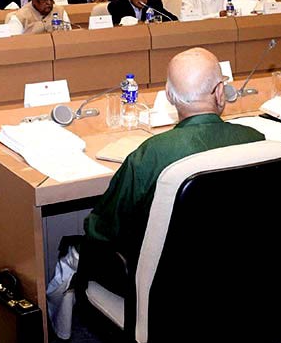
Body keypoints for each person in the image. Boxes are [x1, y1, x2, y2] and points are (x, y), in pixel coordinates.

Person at [79, 48, 264, 294]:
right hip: (242, 278)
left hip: (166, 290)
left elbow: (102, 229)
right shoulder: (257, 141)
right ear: (221, 92)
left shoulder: (151, 154)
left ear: (169, 96)